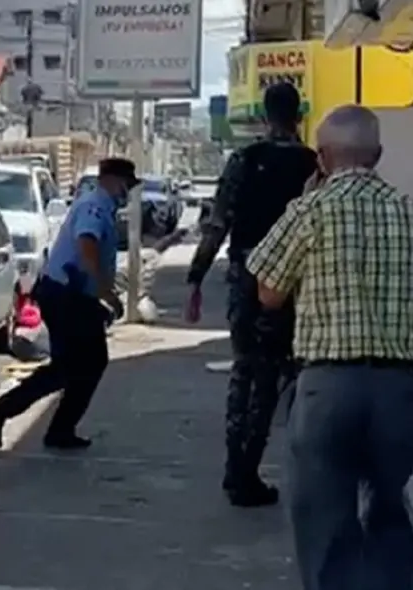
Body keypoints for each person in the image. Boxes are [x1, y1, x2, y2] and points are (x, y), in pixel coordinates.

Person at [246, 104, 413, 590]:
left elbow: (269, 292)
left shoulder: (309, 210)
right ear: (378, 155)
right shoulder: (406, 212)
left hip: (327, 387)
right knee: (394, 513)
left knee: (323, 519)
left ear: (321, 159)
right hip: (399, 388)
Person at [185, 82, 318, 507]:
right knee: (277, 374)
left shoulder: (244, 160)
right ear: (297, 116)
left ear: (264, 117)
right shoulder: (313, 166)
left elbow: (217, 224)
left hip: (246, 275)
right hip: (293, 282)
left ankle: (235, 468)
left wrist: (196, 277)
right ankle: (250, 473)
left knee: (246, 371)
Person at [0, 158, 132, 450]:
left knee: (72, 366)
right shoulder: (95, 206)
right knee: (86, 363)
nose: (127, 191)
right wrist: (106, 294)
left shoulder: (98, 204)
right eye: (126, 183)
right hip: (67, 295)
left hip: (69, 294)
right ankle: (30, 419)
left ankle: (19, 415)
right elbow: (87, 245)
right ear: (112, 179)